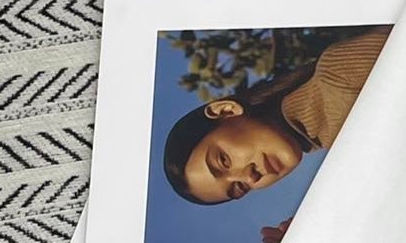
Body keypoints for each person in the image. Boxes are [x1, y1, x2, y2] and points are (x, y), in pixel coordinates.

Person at [160, 27, 392, 232]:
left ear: (226, 111)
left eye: (223, 160)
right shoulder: (339, 143)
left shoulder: (339, 75)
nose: (250, 177)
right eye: (240, 187)